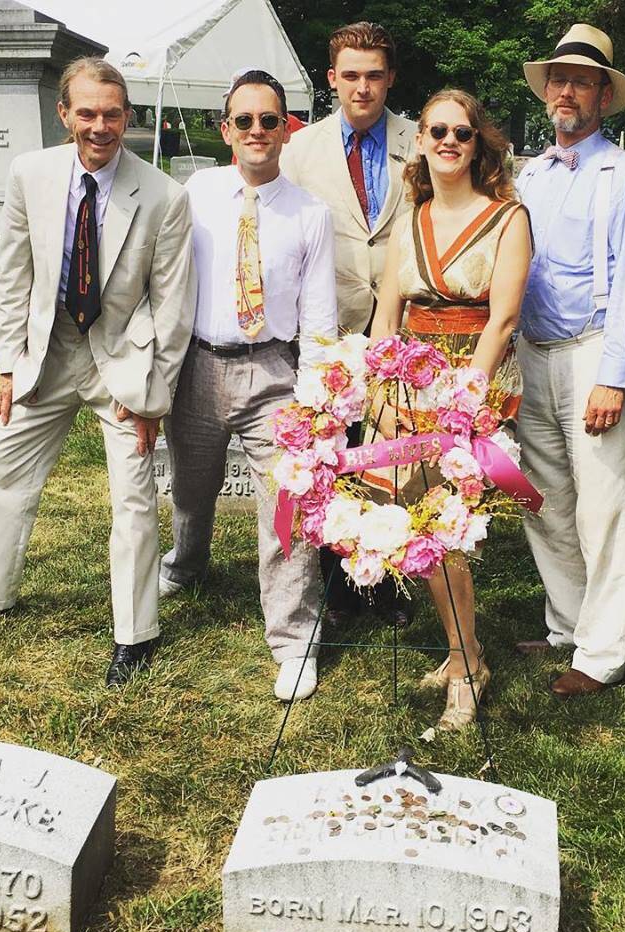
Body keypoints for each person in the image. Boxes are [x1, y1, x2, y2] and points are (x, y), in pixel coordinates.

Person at [0, 57, 196, 687]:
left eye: (112, 114)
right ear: (65, 114)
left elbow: (173, 306)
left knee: (133, 500)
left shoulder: (164, 195)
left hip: (122, 365)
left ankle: (135, 633)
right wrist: (6, 368)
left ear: (127, 117)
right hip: (44, 356)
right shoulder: (30, 173)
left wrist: (152, 400)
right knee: (0, 463)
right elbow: (14, 277)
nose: (100, 126)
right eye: (87, 113)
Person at [158, 69, 337, 703]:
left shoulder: (310, 214)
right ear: (226, 129)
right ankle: (184, 564)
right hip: (199, 367)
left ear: (287, 129)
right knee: (191, 485)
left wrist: (315, 401)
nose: (257, 131)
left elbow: (319, 319)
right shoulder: (194, 192)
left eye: (269, 120)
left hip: (274, 371)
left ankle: (294, 639)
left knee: (288, 508)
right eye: (244, 120)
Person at [367, 89, 532, 732]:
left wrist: (462, 402)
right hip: (408, 379)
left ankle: (465, 668)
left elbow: (504, 318)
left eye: (461, 133)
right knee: (414, 525)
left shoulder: (507, 218)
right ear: (420, 140)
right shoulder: (409, 220)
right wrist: (379, 392)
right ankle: (464, 648)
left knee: (446, 526)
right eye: (436, 130)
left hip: (473, 383)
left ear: (477, 143)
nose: (448, 142)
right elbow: (388, 313)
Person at [514, 25, 625, 698]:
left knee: (602, 504)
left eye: (581, 80)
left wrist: (615, 374)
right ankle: (565, 622)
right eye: (558, 79)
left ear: (604, 94)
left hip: (594, 347)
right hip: (532, 351)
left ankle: (601, 654)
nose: (566, 90)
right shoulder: (530, 173)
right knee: (541, 498)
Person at [280, 21, 417, 627]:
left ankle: (388, 582)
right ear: (332, 78)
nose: (363, 88)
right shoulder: (299, 150)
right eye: (351, 75)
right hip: (327, 328)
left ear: (390, 79)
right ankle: (336, 585)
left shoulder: (422, 141)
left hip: (401, 328)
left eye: (375, 75)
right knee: (332, 454)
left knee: (390, 453)